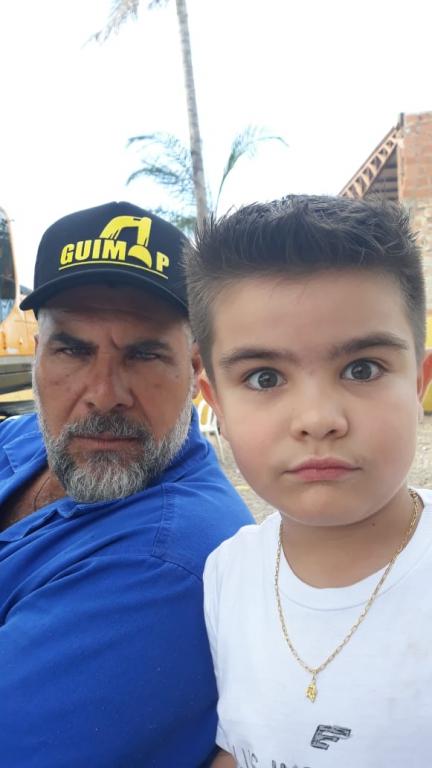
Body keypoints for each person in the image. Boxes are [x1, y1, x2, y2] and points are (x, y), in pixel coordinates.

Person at [0, 201, 252, 767]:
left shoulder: (167, 561)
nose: (103, 393)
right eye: (72, 349)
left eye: (143, 354)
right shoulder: (27, 439)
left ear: (194, 371)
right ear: (38, 356)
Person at [184, 195, 432, 767]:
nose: (318, 418)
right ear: (215, 400)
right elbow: (241, 745)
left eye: (362, 369)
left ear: (418, 382)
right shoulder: (228, 573)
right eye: (265, 378)